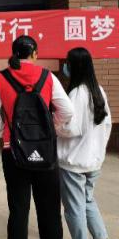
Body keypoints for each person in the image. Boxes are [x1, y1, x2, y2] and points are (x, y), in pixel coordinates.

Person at [0, 35, 74, 239]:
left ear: (13, 53)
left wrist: (6, 134)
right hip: (45, 150)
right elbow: (67, 111)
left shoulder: (0, 78)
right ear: (34, 54)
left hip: (13, 152)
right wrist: (49, 128)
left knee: (18, 209)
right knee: (49, 210)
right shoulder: (47, 76)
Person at [57, 47, 112, 239]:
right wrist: (99, 150)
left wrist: (55, 125)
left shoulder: (76, 94)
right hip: (93, 162)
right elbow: (107, 125)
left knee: (75, 209)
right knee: (88, 202)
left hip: (73, 163)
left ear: (74, 66)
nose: (65, 66)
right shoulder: (99, 91)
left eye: (67, 63)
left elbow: (70, 129)